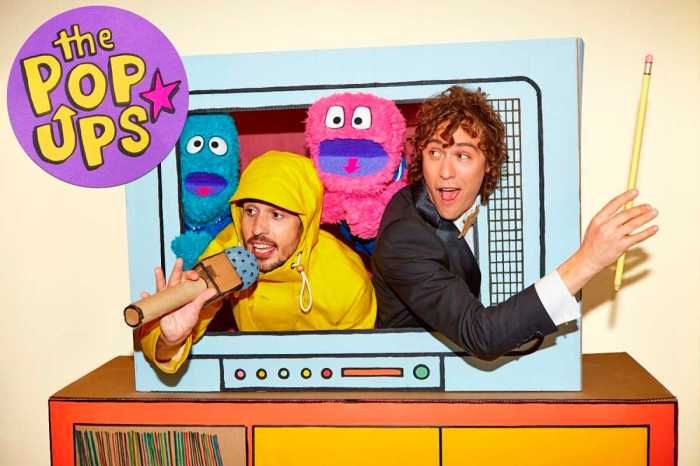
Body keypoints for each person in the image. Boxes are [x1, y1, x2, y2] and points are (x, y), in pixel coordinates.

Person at [371, 86, 658, 359]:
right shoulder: (404, 237)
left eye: (462, 155)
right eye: (435, 152)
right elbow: (481, 334)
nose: (445, 171)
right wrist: (588, 261)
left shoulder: (469, 201)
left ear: (488, 164)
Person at [139, 151, 377, 373]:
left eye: (276, 215)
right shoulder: (231, 251)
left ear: (306, 223)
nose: (257, 229)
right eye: (251, 211)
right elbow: (163, 348)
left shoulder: (346, 278)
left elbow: (357, 371)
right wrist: (170, 340)